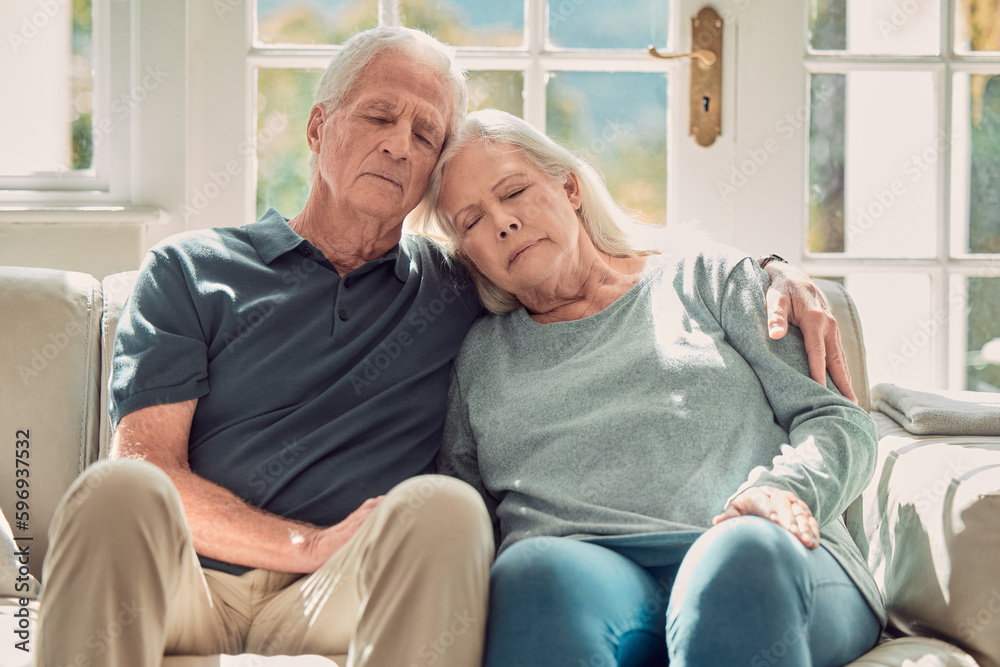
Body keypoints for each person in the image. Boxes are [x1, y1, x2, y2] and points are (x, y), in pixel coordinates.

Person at [37, 26, 855, 667]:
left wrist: (775, 270)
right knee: (115, 490)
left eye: (426, 133)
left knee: (446, 509)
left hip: (349, 589)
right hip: (194, 580)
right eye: (379, 116)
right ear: (319, 128)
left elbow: (618, 275)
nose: (401, 143)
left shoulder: (452, 286)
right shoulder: (193, 270)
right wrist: (303, 542)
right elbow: (150, 468)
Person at [415, 109, 885, 667]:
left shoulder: (706, 279)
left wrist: (788, 490)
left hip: (760, 549)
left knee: (740, 557)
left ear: (569, 187)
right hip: (589, 577)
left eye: (514, 191)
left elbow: (837, 420)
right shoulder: (480, 358)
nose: (503, 223)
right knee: (530, 573)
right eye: (471, 222)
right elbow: (462, 507)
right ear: (468, 255)